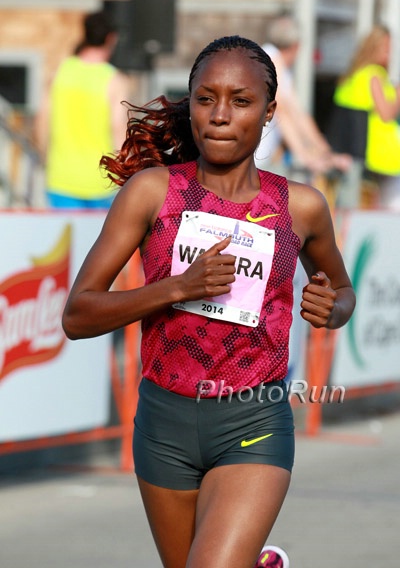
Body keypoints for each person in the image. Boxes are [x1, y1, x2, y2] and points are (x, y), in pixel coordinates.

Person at [62, 36, 356, 568]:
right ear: (190, 102)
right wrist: (178, 287)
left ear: (269, 113)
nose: (221, 116)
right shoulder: (152, 192)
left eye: (241, 101)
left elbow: (343, 292)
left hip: (253, 419)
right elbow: (78, 315)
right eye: (206, 98)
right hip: (163, 424)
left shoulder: (302, 207)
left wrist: (329, 307)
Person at [35, 10, 131, 209]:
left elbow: (42, 120)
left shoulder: (59, 72)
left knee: (66, 240)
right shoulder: (113, 80)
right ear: (111, 39)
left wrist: (44, 158)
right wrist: (125, 170)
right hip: (102, 181)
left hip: (61, 179)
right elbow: (117, 127)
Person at [255, 14, 351, 178]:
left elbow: (298, 113)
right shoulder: (270, 61)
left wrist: (325, 153)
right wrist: (306, 156)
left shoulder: (277, 64)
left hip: (260, 158)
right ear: (296, 46)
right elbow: (282, 112)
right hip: (255, 160)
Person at [327, 24, 400, 209]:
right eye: (386, 48)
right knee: (386, 208)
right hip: (380, 153)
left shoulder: (353, 76)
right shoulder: (374, 75)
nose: (389, 53)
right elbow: (386, 114)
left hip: (359, 152)